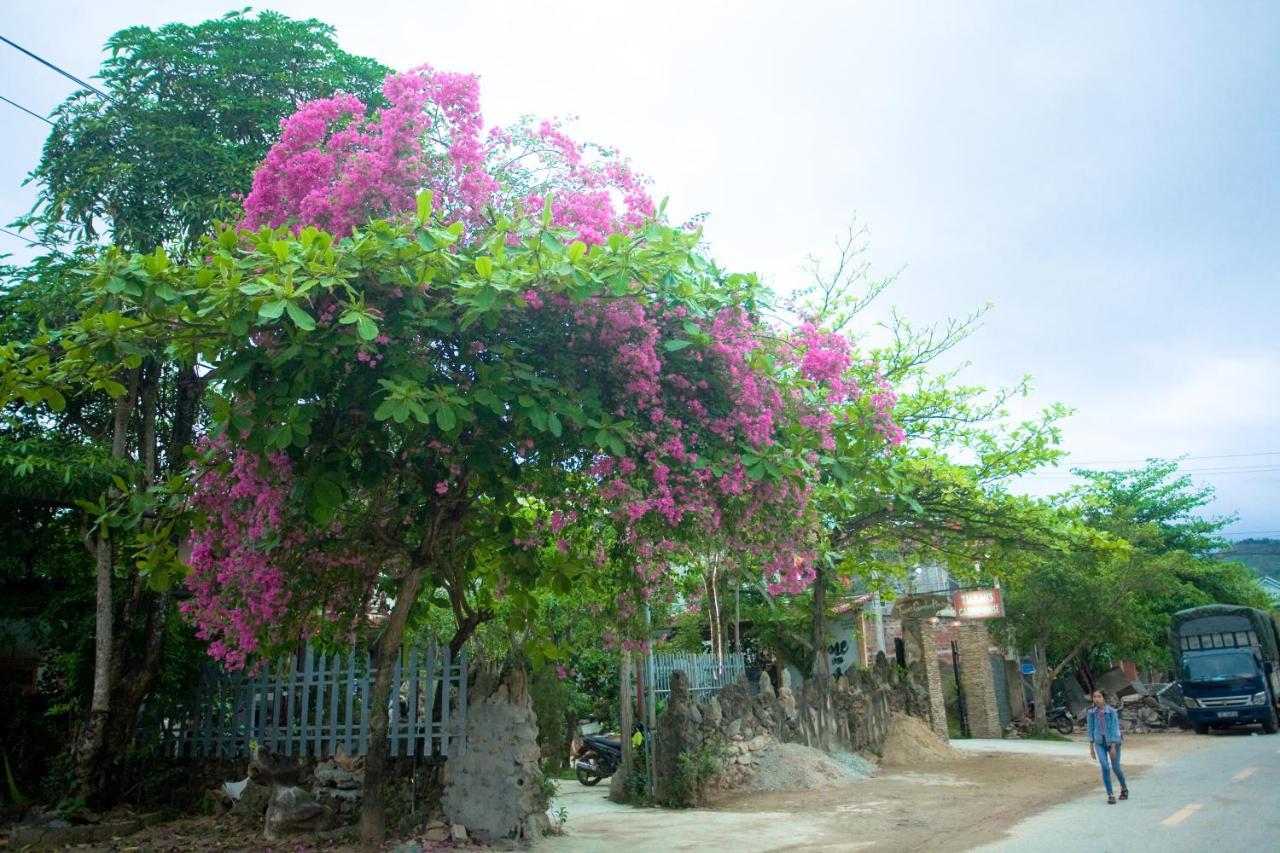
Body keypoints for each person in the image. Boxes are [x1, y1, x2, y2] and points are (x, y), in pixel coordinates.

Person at [1086, 689, 1128, 804]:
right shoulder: (1091, 713)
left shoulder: (1111, 712)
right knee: (1105, 767)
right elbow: (1090, 729)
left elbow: (1115, 729)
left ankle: (1124, 788)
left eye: (1099, 696)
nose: (1096, 699)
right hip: (1099, 743)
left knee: (1115, 767)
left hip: (1113, 743)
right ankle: (1110, 794)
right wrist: (1091, 747)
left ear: (1103, 698)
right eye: (1094, 697)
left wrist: (1113, 747)